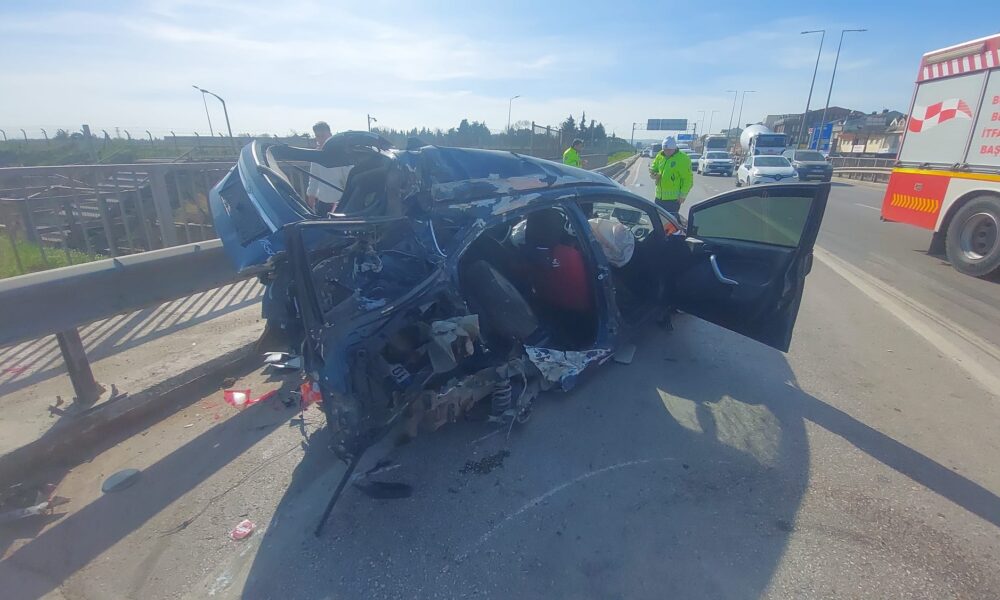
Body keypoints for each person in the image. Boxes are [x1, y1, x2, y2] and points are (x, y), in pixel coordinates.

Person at [306, 121, 352, 216]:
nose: (320, 139)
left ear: (330, 135)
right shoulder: (315, 156)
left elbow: (348, 178)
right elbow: (313, 178)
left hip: (341, 201)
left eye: (323, 136)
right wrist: (311, 197)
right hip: (323, 201)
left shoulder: (341, 154)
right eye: (317, 136)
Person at [648, 136, 692, 216]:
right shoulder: (660, 155)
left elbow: (687, 179)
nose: (666, 152)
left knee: (670, 220)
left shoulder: (683, 158)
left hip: (673, 199)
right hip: (659, 197)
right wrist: (653, 173)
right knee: (658, 219)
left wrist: (683, 195)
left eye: (669, 150)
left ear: (674, 148)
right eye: (665, 150)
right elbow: (654, 167)